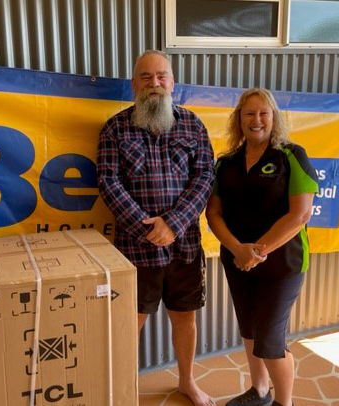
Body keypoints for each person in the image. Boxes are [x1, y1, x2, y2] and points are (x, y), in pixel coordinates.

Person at [97, 50, 214, 406]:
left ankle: (187, 382)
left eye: (161, 76)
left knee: (185, 320)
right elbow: (108, 180)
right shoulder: (115, 128)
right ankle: (122, 390)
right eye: (146, 77)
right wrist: (148, 228)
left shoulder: (193, 125)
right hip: (135, 249)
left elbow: (205, 176)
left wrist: (174, 224)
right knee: (127, 325)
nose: (155, 83)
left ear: (172, 83)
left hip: (185, 247)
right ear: (134, 84)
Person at [205, 88, 318, 406]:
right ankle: (259, 391)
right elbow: (213, 213)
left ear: (274, 117)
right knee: (250, 330)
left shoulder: (291, 155)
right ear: (238, 120)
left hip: (283, 264)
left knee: (269, 339)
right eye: (249, 114)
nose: (256, 120)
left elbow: (300, 214)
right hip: (238, 261)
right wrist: (239, 250)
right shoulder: (225, 163)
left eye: (263, 113)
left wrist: (256, 252)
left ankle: (285, 402)